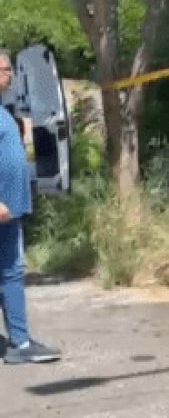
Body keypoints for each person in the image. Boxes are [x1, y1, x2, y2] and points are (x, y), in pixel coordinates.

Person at [0, 49, 61, 364]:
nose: (8, 74)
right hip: (2, 211)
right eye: (4, 69)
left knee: (8, 274)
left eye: (8, 68)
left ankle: (18, 341)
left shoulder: (2, 111)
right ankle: (20, 345)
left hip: (11, 210)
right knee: (10, 274)